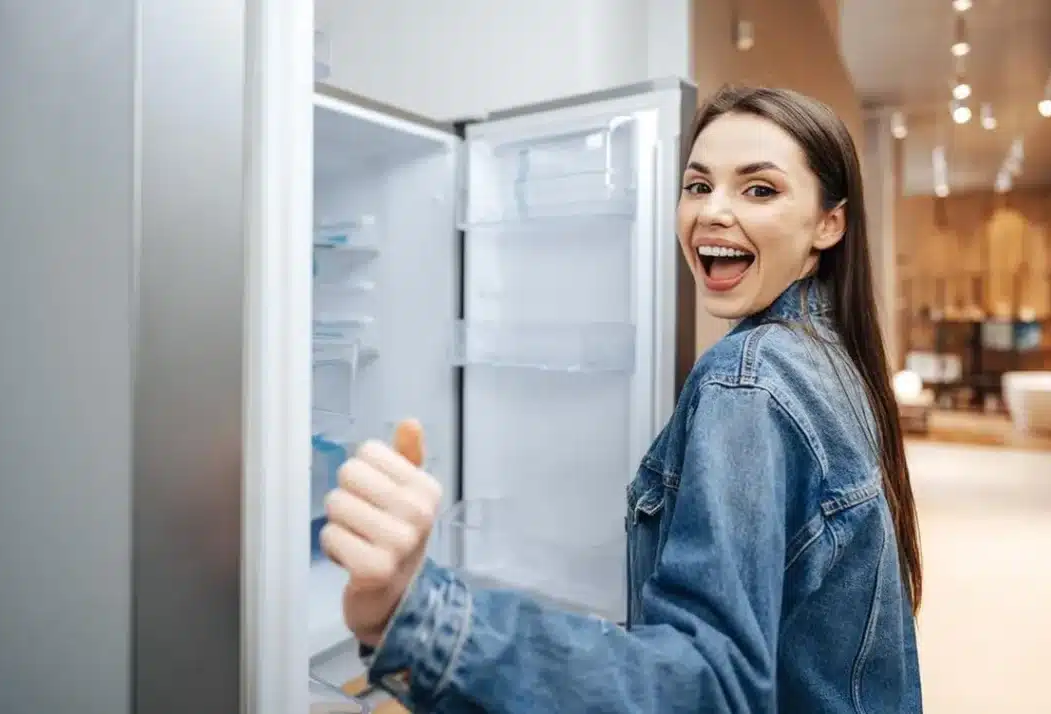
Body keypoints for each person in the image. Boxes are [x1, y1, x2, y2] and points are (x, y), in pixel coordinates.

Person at [320, 85, 923, 713]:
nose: (713, 212)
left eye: (759, 189)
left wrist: (416, 614)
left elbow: (707, 688)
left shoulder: (750, 380)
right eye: (697, 185)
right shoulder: (828, 356)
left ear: (830, 223)